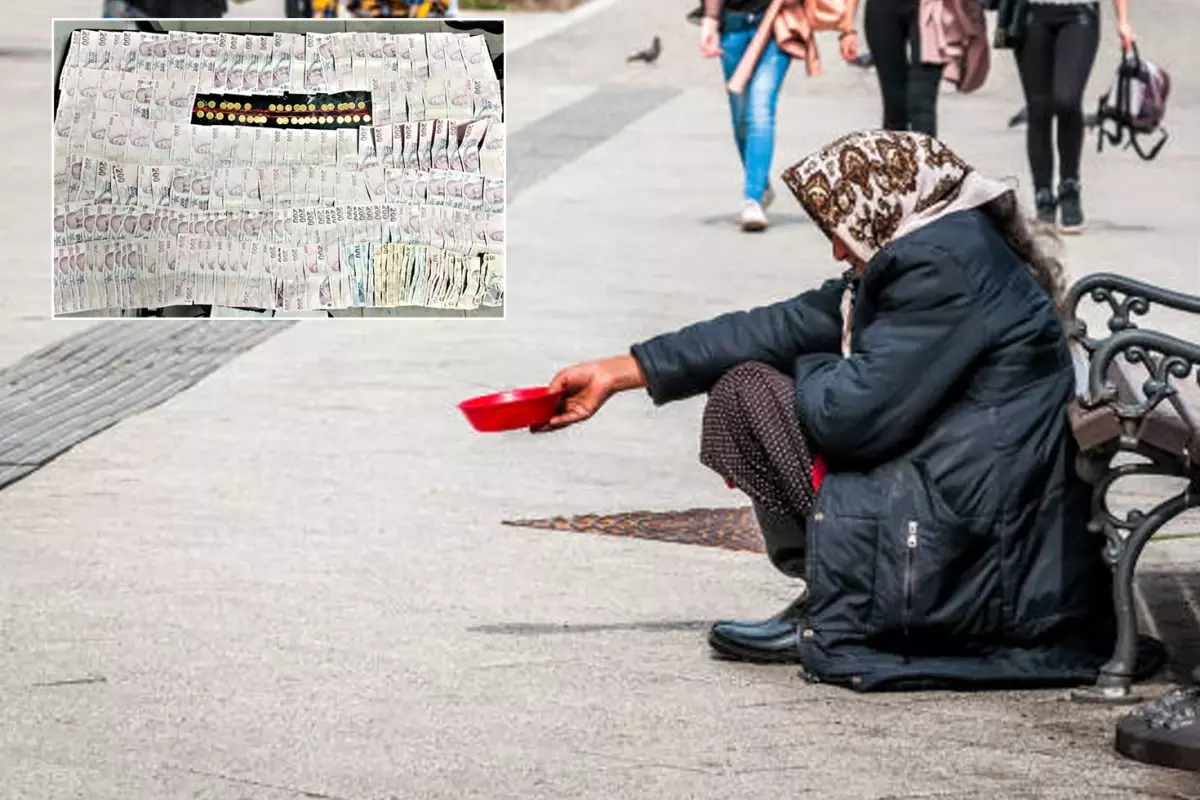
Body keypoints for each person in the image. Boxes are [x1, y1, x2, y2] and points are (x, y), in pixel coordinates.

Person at [537, 129, 1129, 691]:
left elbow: (847, 419)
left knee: (750, 394)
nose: (837, 248)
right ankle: (833, 588)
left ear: (880, 206)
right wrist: (621, 371)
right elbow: (777, 325)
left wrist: (816, 361)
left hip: (977, 550)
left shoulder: (939, 269)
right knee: (748, 381)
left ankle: (841, 596)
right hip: (973, 506)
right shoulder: (940, 245)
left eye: (840, 229)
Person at [699, 1, 859, 233]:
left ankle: (752, 198)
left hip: (777, 21)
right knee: (741, 115)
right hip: (732, 25)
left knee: (760, 107)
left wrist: (847, 29)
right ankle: (761, 183)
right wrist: (710, 20)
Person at [1015, 0, 1136, 232]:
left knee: (1067, 100)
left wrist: (1123, 21)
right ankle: (1043, 195)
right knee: (1039, 109)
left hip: (1079, 14)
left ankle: (1069, 186)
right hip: (1031, 14)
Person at [863, 0, 942, 136]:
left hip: (930, 7)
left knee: (921, 100)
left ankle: (923, 148)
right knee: (894, 101)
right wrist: (848, 27)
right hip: (883, 9)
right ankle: (896, 147)